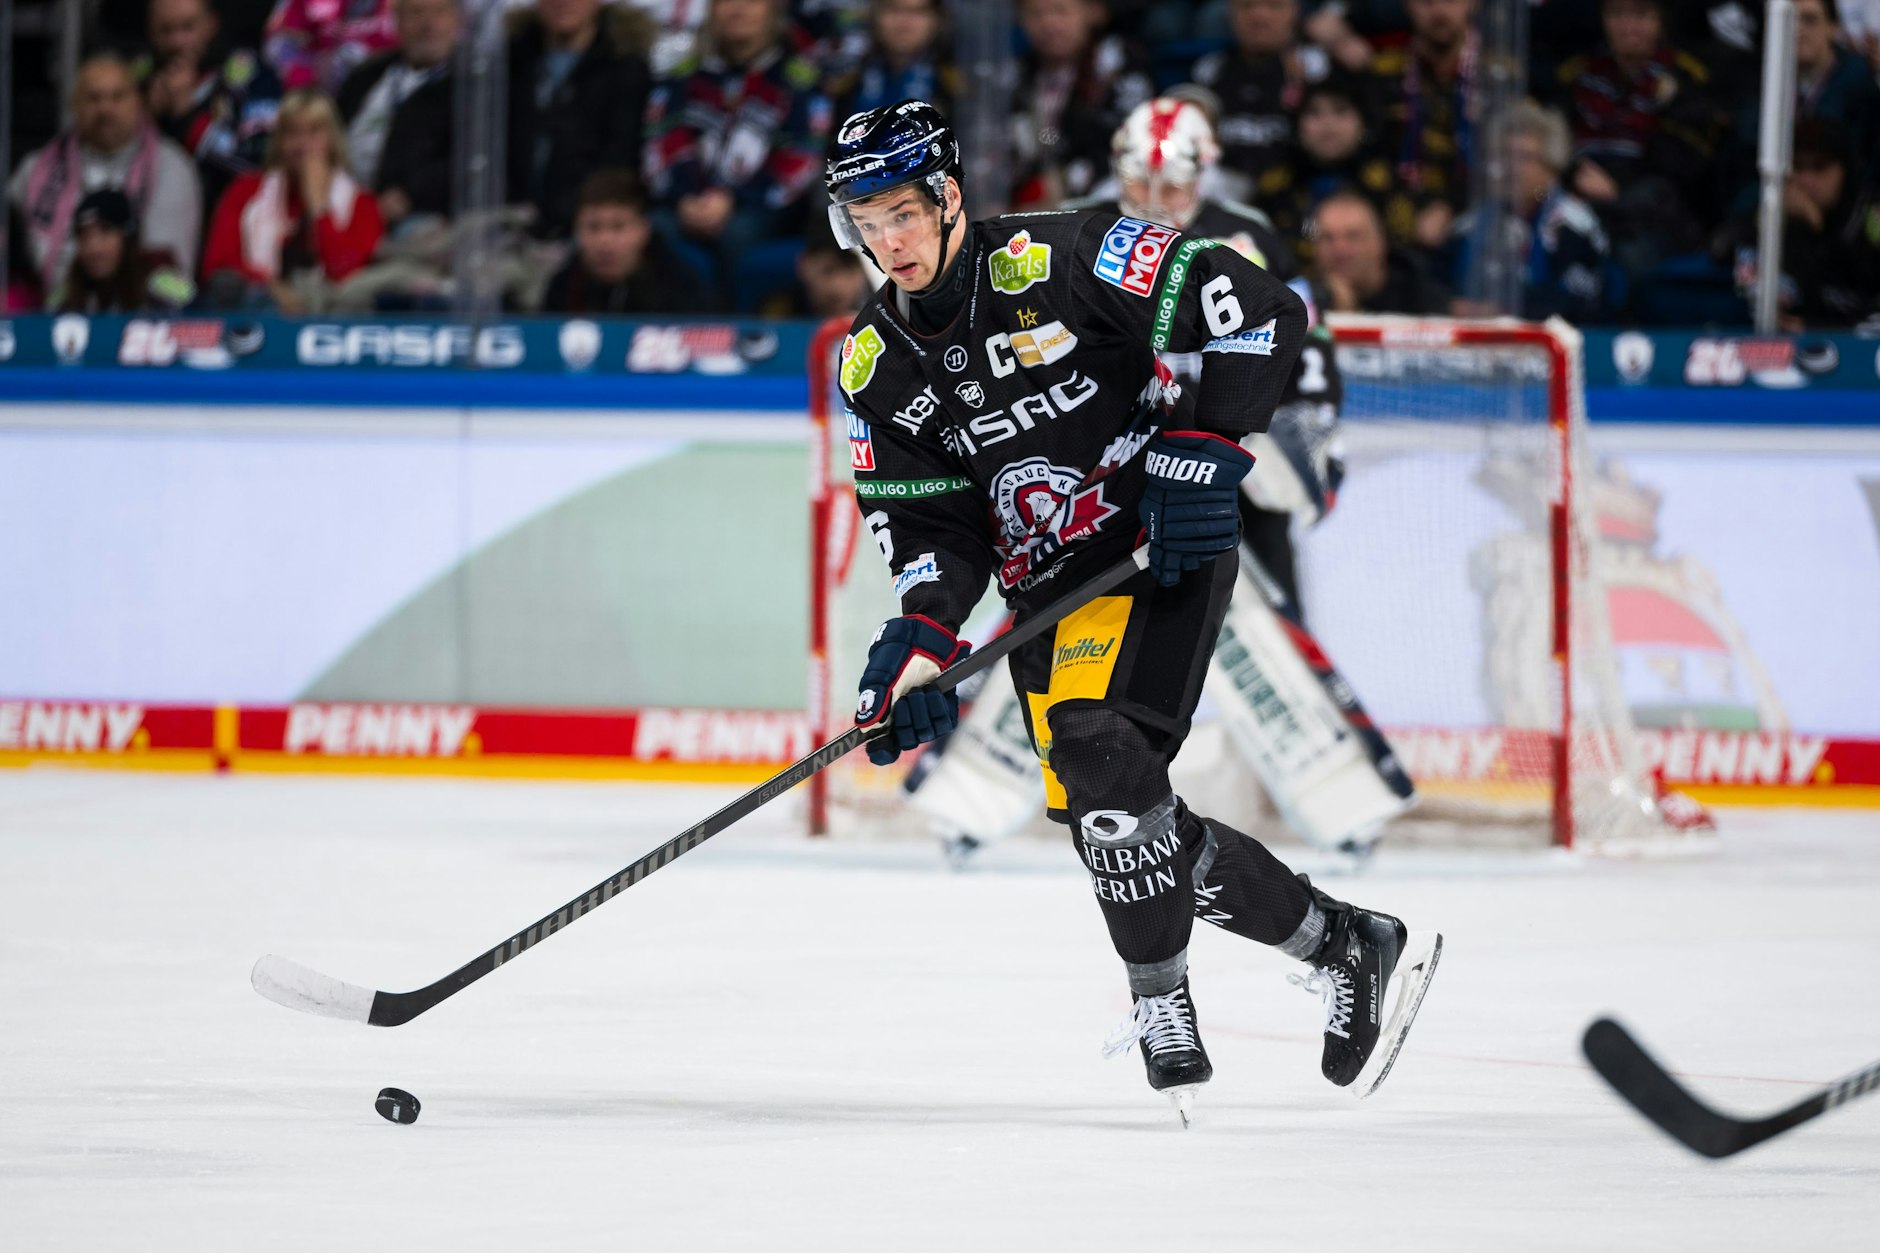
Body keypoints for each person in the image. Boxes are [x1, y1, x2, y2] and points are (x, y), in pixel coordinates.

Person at [826, 99, 1439, 1118]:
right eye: (864, 219)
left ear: (947, 197)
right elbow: (934, 530)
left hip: (1154, 552)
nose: (887, 241)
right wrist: (919, 642)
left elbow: (1256, 308)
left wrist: (1206, 451)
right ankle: (1344, 941)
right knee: (1124, 825)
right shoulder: (873, 363)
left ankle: (1159, 1000)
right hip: (1049, 598)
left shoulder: (1061, 254)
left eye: (901, 211)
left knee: (1100, 755)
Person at [917, 96, 1354, 866]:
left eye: (1173, 186)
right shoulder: (1076, 230)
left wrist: (1308, 442)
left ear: (1206, 171)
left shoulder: (1247, 236)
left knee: (1263, 628)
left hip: (1224, 467)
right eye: (1139, 181)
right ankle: (972, 801)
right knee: (1052, 623)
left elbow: (1301, 341)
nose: (1154, 202)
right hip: (1110, 469)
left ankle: (1343, 799)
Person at [643, 0, 829, 298]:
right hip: (684, 203)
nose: (738, 9)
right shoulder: (684, 75)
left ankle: (731, 335)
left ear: (773, 12)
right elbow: (661, 141)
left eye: (751, 2)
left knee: (738, 235)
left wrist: (734, 200)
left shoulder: (798, 80)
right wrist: (684, 198)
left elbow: (801, 158)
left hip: (761, 208)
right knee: (651, 231)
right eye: (726, 1)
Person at [8, 51, 204, 295]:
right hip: (48, 312)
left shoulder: (172, 167)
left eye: (117, 97)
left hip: (140, 313)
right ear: (75, 106)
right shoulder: (36, 169)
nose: (105, 108)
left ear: (138, 102)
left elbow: (168, 268)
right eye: (93, 98)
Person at [1548, 0, 1723, 271]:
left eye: (1641, 15)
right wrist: (1572, 174)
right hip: (1576, 186)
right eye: (1617, 14)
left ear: (1660, 21)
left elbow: (1686, 165)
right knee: (1535, 193)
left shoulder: (1687, 75)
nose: (1628, 26)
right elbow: (1549, 138)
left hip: (1646, 203)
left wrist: (1616, 186)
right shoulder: (1577, 73)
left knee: (1633, 244)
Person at [201, 88, 384, 311]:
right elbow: (219, 264)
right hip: (261, 305)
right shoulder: (245, 191)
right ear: (279, 141)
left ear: (332, 140)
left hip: (330, 311)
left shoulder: (362, 202)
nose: (302, 145)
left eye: (314, 132)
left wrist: (319, 210)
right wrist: (272, 287)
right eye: (293, 133)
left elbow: (346, 275)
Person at [1451, 99, 1618, 322]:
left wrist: (1499, 309)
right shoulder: (1472, 223)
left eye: (1525, 158)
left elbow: (1578, 300)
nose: (1512, 167)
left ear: (1551, 169)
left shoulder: (1574, 225)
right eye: (1505, 155)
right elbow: (1444, 286)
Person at [507, 0, 654, 241]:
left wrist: (573, 212)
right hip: (508, 217)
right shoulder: (509, 64)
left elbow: (620, 156)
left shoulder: (626, 68)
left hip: (587, 224)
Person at [1717, 118, 1880, 329]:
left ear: (1845, 170)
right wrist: (1785, 226)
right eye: (1797, 166)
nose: (1805, 180)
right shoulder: (1773, 216)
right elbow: (1723, 251)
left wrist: (1817, 326)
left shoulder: (1871, 216)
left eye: (1819, 167)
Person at [1253, 72, 1422, 272]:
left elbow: (1402, 251)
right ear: (1298, 126)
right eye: (1314, 113)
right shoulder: (1274, 186)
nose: (1328, 125)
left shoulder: (1384, 182)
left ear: (1362, 122)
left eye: (1340, 111)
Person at [137, 0, 285, 216]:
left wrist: (189, 118)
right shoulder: (137, 78)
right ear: (150, 29)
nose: (177, 41)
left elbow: (259, 164)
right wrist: (145, 116)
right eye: (166, 30)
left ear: (210, 24)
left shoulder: (251, 74)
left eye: (188, 27)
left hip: (232, 216)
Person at [1008, 0, 1155, 208]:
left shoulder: (1117, 61)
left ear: (1093, 13)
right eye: (1036, 14)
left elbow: (1129, 139)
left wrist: (1064, 181)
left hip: (1105, 198)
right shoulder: (1013, 75)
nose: (1049, 23)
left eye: (1061, 11)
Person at [1189, 0, 1331, 204]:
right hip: (1221, 202)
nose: (1259, 16)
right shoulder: (1209, 70)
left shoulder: (1314, 67)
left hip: (1300, 197)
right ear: (1230, 13)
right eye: (1246, 7)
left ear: (1295, 12)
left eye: (1274, 6)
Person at [1364, 0, 1478, 250]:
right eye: (1426, 2)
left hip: (1473, 212)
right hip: (1398, 213)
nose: (1439, 11)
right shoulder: (1383, 70)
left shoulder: (1499, 76)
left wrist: (1450, 206)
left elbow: (1505, 165)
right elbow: (1371, 153)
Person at [337, 0, 460, 229]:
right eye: (416, 12)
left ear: (458, 22)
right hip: (346, 203)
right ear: (397, 22)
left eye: (439, 12)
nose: (428, 24)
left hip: (419, 213)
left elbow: (468, 160)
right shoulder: (366, 75)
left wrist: (411, 195)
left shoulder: (470, 87)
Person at [539, 169, 714, 313]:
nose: (604, 241)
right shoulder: (563, 288)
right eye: (593, 227)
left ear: (644, 231)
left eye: (618, 227)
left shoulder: (680, 285)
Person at [51, 188, 197, 312]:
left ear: (128, 238)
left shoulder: (164, 286)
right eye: (84, 236)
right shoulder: (64, 298)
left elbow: (205, 324)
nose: (94, 248)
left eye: (105, 232)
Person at [1311, 187, 1450, 312]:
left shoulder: (1419, 297)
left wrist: (1350, 315)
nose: (1339, 249)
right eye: (1327, 238)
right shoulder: (1302, 300)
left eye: (1353, 236)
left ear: (1379, 243)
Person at [823, 0, 960, 124]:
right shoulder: (848, 83)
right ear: (874, 15)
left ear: (938, 20)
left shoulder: (957, 88)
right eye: (893, 10)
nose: (904, 23)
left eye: (918, 12)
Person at [263, 0, 398, 93]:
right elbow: (277, 47)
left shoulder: (392, 7)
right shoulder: (308, 4)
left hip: (373, 92)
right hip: (314, 96)